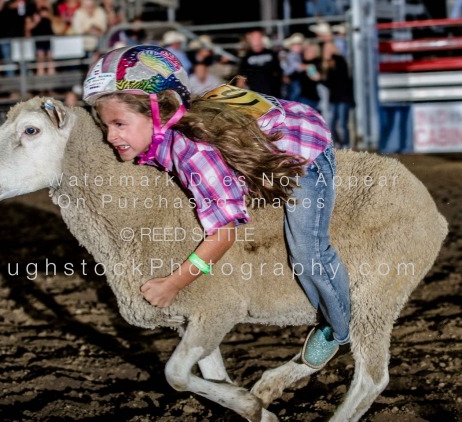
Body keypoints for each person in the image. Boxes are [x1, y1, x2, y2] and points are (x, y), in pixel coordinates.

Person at [83, 45, 351, 370]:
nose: (110, 136)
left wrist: (173, 284)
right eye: (105, 125)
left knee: (308, 252)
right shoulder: (168, 132)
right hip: (270, 123)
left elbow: (224, 234)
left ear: (160, 112)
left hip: (305, 145)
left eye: (119, 124)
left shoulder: (194, 154)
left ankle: (338, 331)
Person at [321, 41, 354, 149]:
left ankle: (345, 145)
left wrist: (320, 79)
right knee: (332, 123)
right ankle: (339, 144)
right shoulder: (330, 64)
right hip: (335, 99)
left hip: (343, 98)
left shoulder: (339, 61)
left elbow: (338, 81)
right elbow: (331, 83)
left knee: (341, 124)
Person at [236, 27, 283, 97]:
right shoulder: (246, 57)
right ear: (250, 39)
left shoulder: (271, 54)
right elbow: (241, 78)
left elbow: (279, 72)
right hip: (256, 96)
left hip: (273, 94)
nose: (256, 40)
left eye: (258, 37)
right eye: (254, 38)